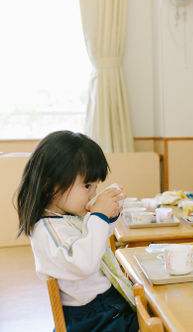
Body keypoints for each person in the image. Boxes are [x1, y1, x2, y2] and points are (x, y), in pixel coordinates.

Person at [17, 131, 138, 332]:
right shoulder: (47, 231)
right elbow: (84, 262)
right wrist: (98, 216)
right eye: (88, 186)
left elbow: (93, 240)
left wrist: (109, 215)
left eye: (95, 186)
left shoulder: (66, 217)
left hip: (106, 307)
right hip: (93, 319)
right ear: (51, 185)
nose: (93, 193)